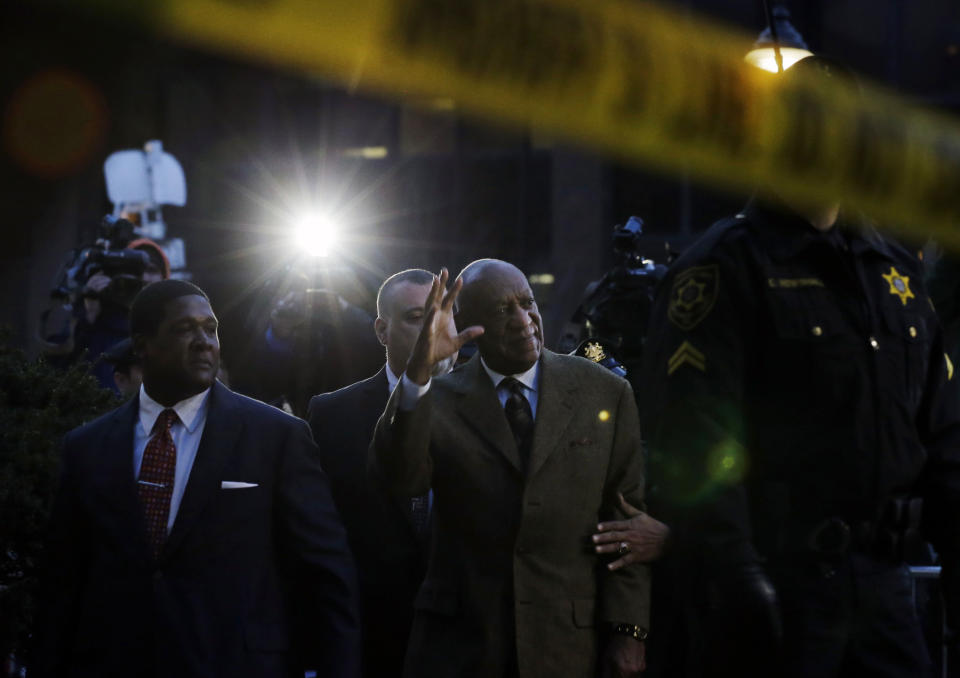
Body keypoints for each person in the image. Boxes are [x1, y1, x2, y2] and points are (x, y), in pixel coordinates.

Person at [640, 56, 960, 678]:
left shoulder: (894, 274)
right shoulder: (723, 269)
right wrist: (737, 579)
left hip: (886, 592)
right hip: (774, 589)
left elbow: (942, 440)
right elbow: (693, 441)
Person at [35, 279, 360, 678]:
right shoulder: (87, 447)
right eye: (184, 329)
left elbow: (327, 574)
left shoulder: (276, 437)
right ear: (142, 345)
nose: (204, 341)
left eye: (210, 328)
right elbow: (61, 587)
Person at [372, 260, 650, 678]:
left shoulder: (605, 391)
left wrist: (629, 632)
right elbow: (399, 476)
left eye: (527, 303)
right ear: (468, 324)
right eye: (503, 311)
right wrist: (419, 370)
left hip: (570, 646)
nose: (524, 322)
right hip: (462, 648)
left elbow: (628, 522)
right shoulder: (436, 398)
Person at [306, 268, 454, 677]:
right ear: (381, 331)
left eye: (442, 313)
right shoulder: (331, 415)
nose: (432, 329)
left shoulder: (494, 409)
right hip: (368, 639)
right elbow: (317, 537)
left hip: (466, 642)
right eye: (415, 318)